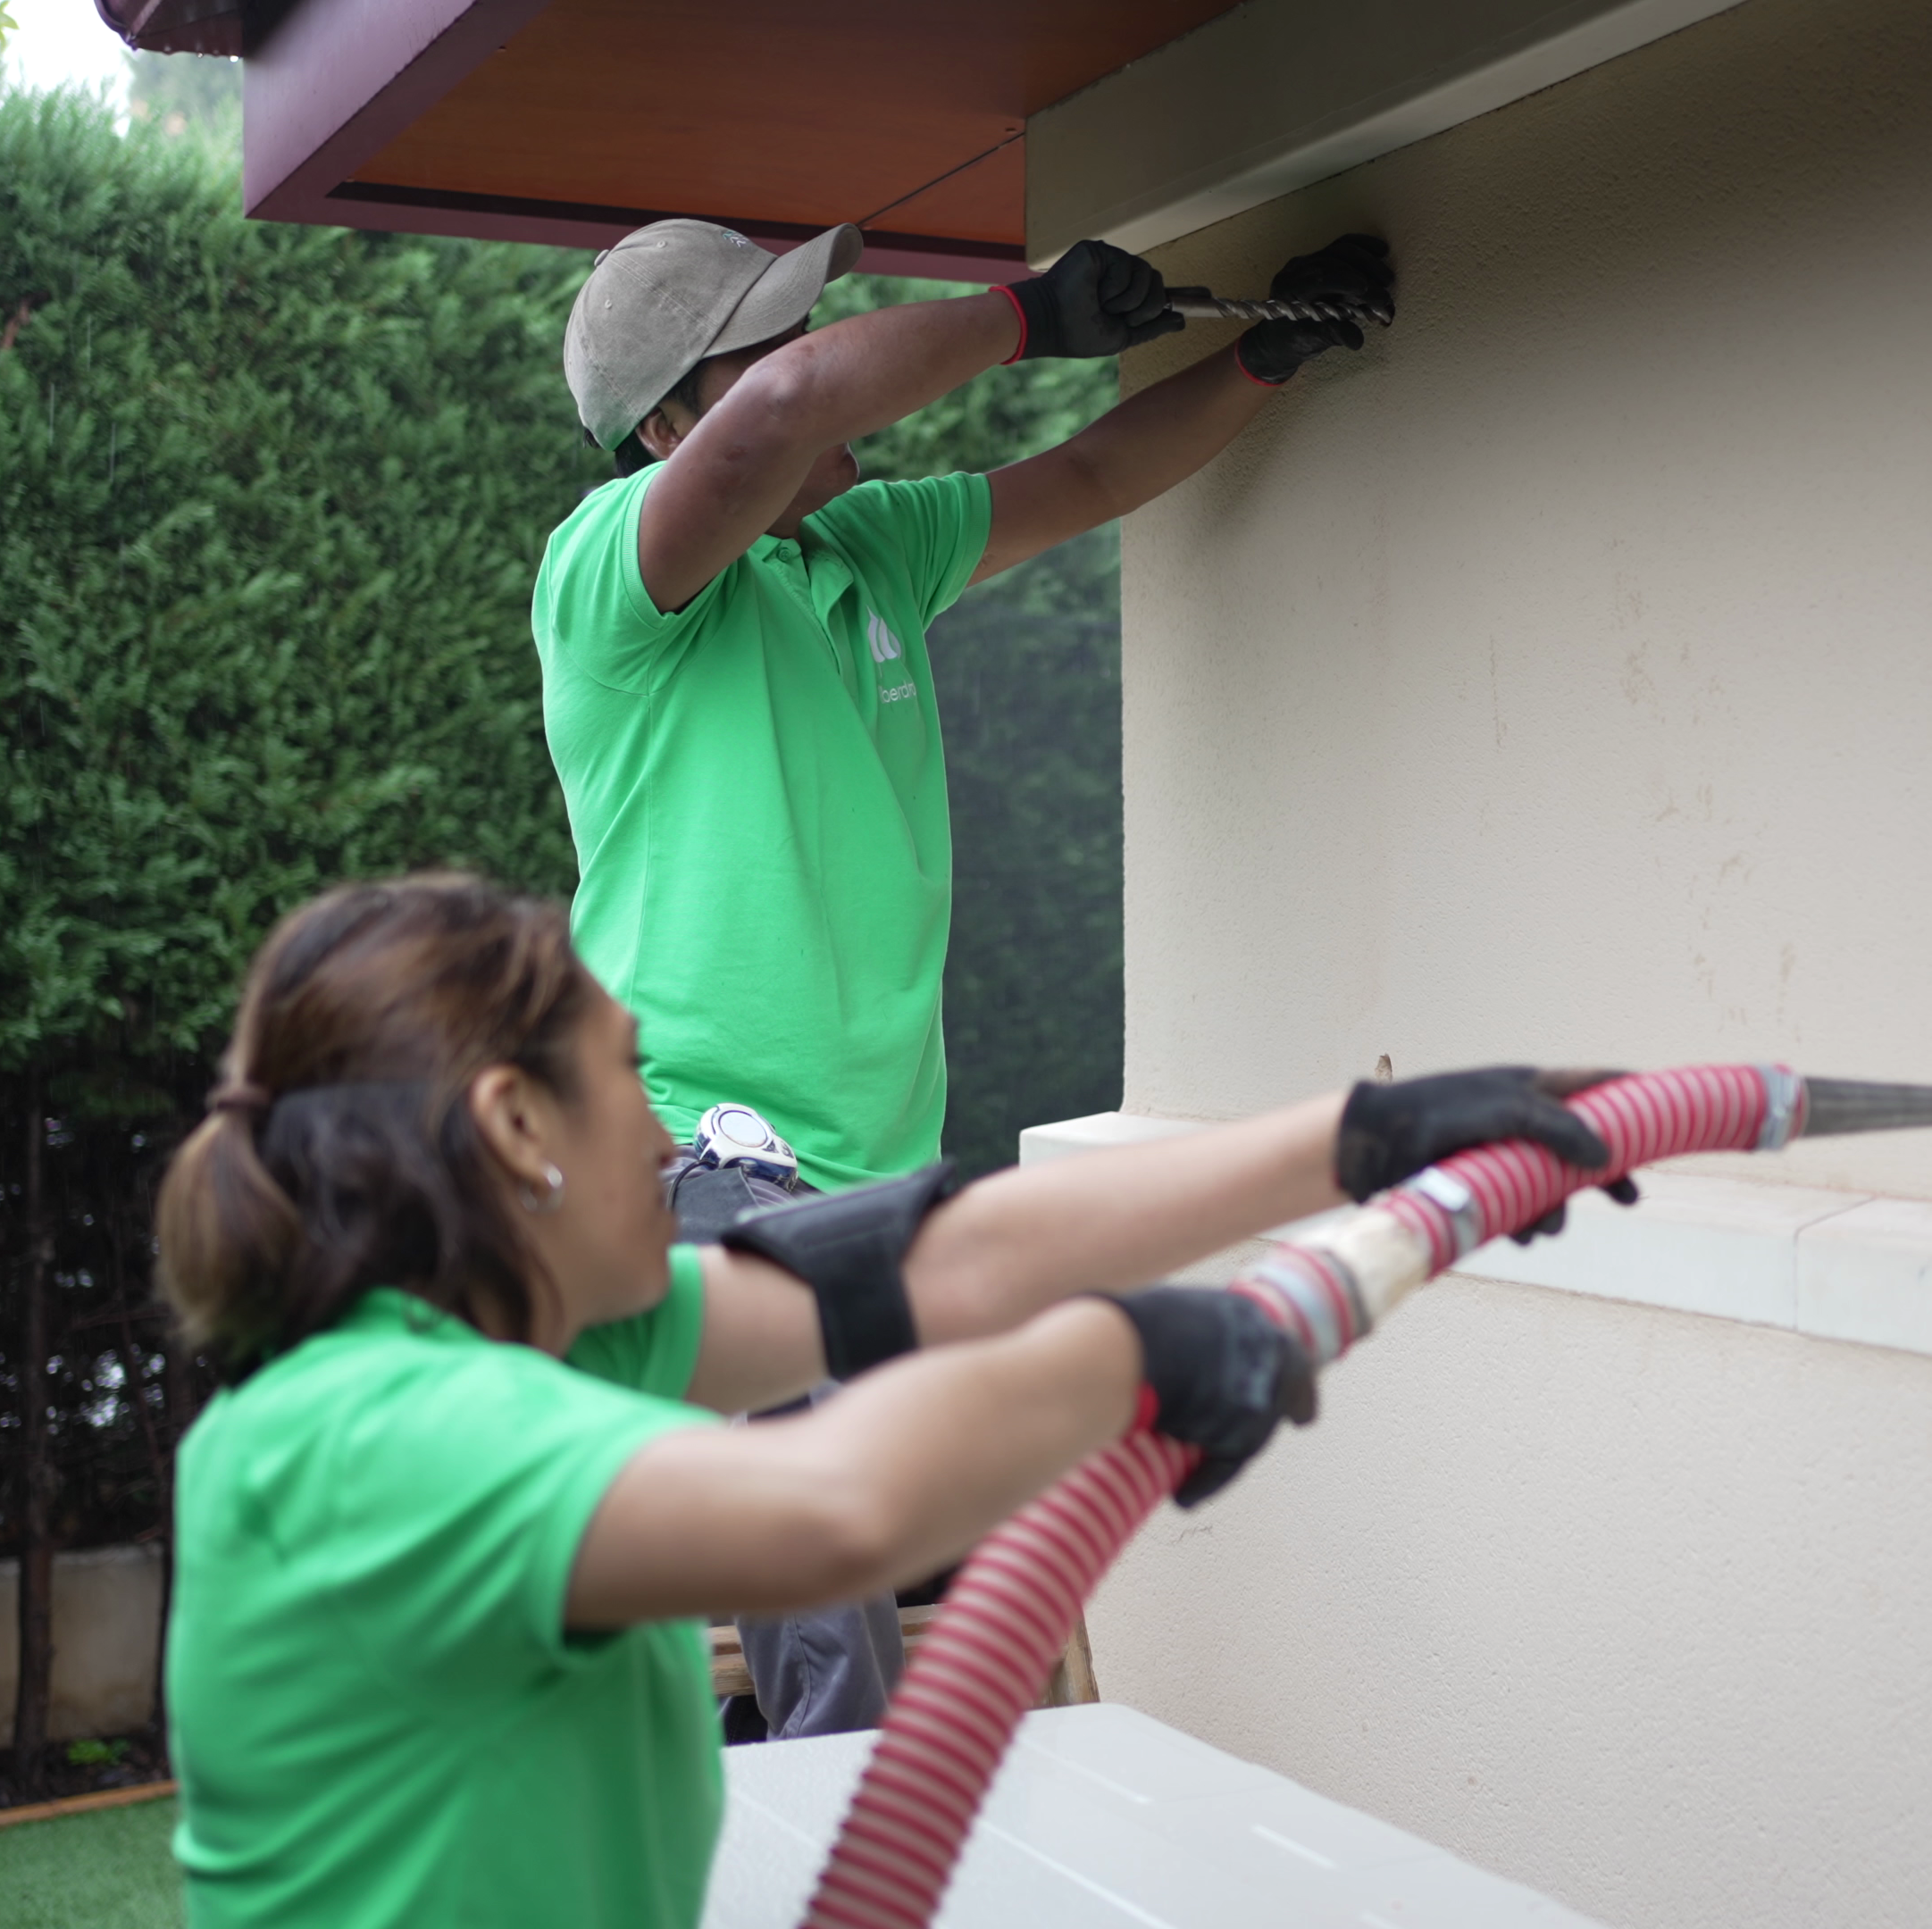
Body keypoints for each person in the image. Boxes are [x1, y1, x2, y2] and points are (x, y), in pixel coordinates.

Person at [155, 874, 1617, 1929]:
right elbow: (830, 1509)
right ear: (517, 1124)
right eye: (626, 1076)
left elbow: (949, 1262)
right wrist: (1139, 1353)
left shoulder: (543, 1344)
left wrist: (1369, 1137)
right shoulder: (352, 1442)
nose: (667, 1129)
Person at [532, 218, 1396, 1733]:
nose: (824, 373)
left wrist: (1264, 354)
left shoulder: (867, 547)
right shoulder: (609, 582)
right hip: (693, 1146)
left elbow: (1088, 479)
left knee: (924, 1525)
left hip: (876, 1169)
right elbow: (793, 411)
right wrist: (1026, 317)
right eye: (771, 347)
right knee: (818, 1544)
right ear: (673, 427)